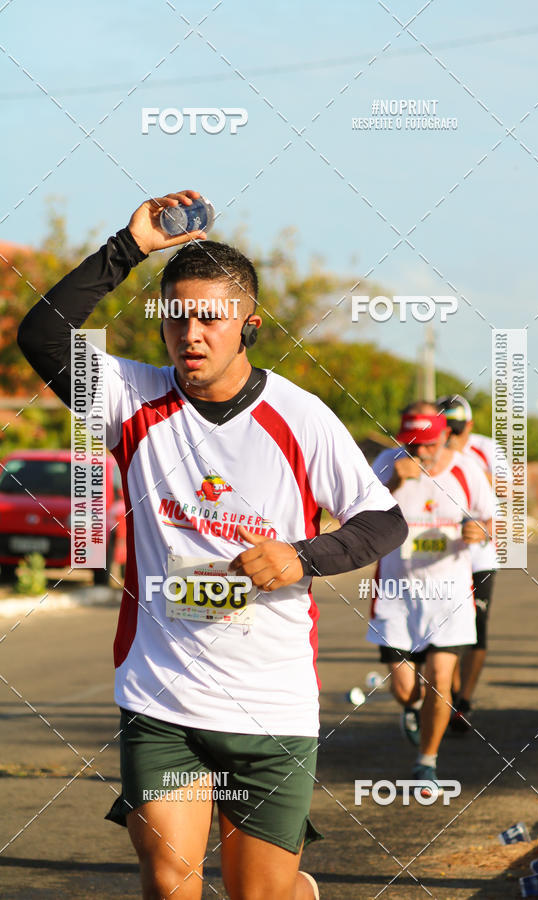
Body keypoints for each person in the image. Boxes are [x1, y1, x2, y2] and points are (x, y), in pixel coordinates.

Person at [18, 190, 408, 900]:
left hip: (270, 704)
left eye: (210, 317)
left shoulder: (301, 418)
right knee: (171, 881)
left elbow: (383, 522)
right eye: (176, 316)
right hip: (161, 697)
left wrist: (300, 556)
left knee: (260, 894)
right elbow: (43, 335)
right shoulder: (130, 397)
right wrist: (130, 247)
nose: (190, 334)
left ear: (248, 325)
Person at [367, 401, 495, 792]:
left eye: (428, 443)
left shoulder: (465, 468)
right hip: (396, 592)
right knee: (406, 689)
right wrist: (393, 483)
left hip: (449, 593)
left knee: (440, 679)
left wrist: (481, 530)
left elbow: (492, 518)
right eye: (412, 444)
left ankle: (427, 761)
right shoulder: (387, 463)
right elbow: (356, 517)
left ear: (444, 436)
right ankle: (414, 708)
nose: (420, 451)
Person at [436, 394, 509, 732]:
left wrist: (471, 472)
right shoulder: (429, 451)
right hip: (441, 555)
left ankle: (464, 699)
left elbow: (509, 493)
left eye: (457, 428)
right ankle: (448, 695)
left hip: (480, 554)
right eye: (446, 428)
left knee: (477, 628)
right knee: (445, 629)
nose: (452, 435)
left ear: (470, 425)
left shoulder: (485, 449)